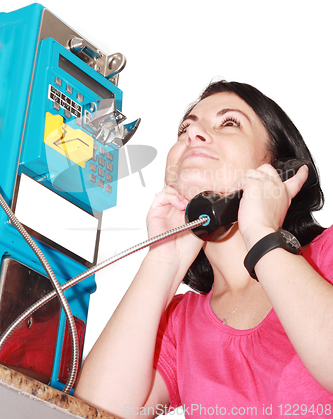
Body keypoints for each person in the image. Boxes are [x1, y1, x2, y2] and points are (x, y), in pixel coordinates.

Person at [74, 80, 333, 418]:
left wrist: (262, 234)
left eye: (229, 123)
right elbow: (96, 411)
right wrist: (165, 258)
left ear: (276, 167)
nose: (192, 135)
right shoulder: (181, 323)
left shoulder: (326, 255)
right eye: (185, 129)